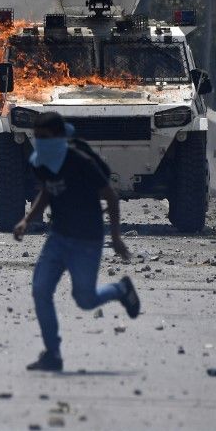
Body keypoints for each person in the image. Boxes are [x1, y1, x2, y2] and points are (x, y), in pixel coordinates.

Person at [14, 111, 140, 372]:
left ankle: (120, 290)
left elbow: (111, 197)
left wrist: (116, 238)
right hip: (58, 238)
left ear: (59, 137)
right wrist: (28, 220)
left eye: (45, 137)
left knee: (85, 300)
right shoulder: (40, 161)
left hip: (87, 240)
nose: (40, 142)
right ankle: (52, 354)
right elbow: (48, 192)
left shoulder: (79, 161)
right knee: (40, 290)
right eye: (36, 137)